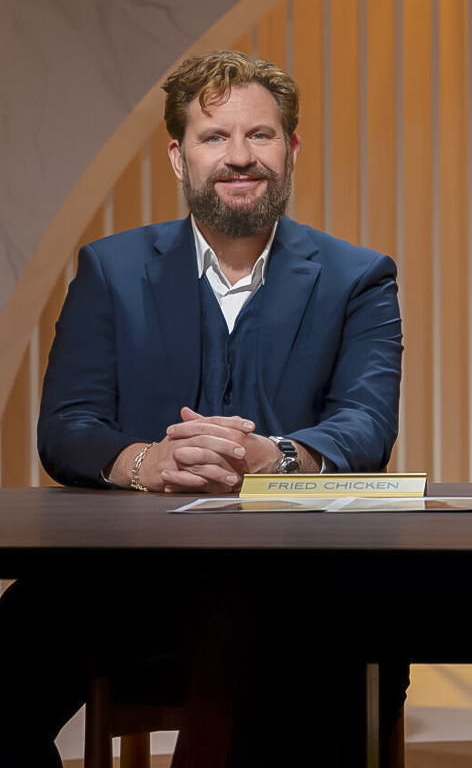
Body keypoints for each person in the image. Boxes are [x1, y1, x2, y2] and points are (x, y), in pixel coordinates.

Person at [0, 50, 402, 766]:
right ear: (178, 157)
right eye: (215, 137)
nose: (239, 157)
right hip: (129, 581)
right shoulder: (109, 269)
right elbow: (67, 426)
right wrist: (145, 462)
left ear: (292, 150)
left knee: (311, 654)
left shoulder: (359, 277)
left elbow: (365, 424)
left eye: (260, 135)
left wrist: (274, 458)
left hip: (300, 580)